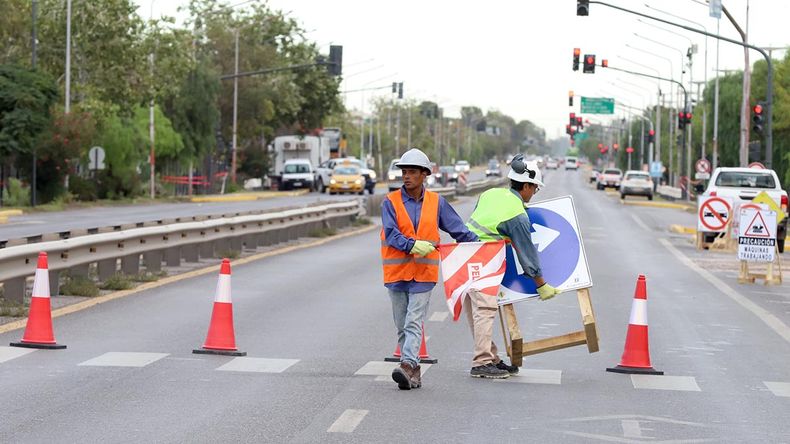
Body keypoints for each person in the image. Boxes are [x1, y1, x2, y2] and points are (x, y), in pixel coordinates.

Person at [381, 148, 478, 390]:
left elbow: (458, 230)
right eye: (404, 172)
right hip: (396, 273)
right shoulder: (390, 202)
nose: (406, 176)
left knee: (414, 321)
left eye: (412, 172)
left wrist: (481, 245)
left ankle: (407, 364)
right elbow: (391, 234)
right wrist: (412, 245)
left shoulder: (437, 203)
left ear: (424, 174)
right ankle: (413, 371)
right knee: (402, 325)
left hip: (424, 274)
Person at [463, 154, 561, 379]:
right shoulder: (517, 214)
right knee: (485, 310)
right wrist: (541, 284)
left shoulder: (490, 193)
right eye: (534, 188)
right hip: (483, 256)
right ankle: (481, 362)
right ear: (526, 186)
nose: (534, 193)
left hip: (464, 254)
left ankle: (491, 358)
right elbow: (527, 252)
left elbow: (487, 224)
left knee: (476, 310)